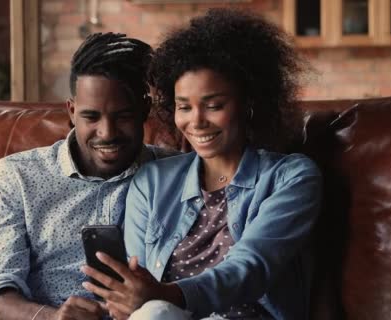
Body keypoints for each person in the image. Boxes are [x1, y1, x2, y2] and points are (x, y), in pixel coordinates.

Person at [81, 9, 322, 320]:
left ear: (249, 103)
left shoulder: (292, 178)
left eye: (214, 105)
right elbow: (135, 284)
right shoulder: (152, 182)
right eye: (184, 107)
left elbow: (251, 268)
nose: (196, 122)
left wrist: (166, 295)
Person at [0, 32, 169, 320]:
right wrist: (50, 317)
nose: (107, 133)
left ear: (144, 111)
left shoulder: (178, 175)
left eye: (123, 116)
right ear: (71, 111)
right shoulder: (16, 177)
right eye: (91, 117)